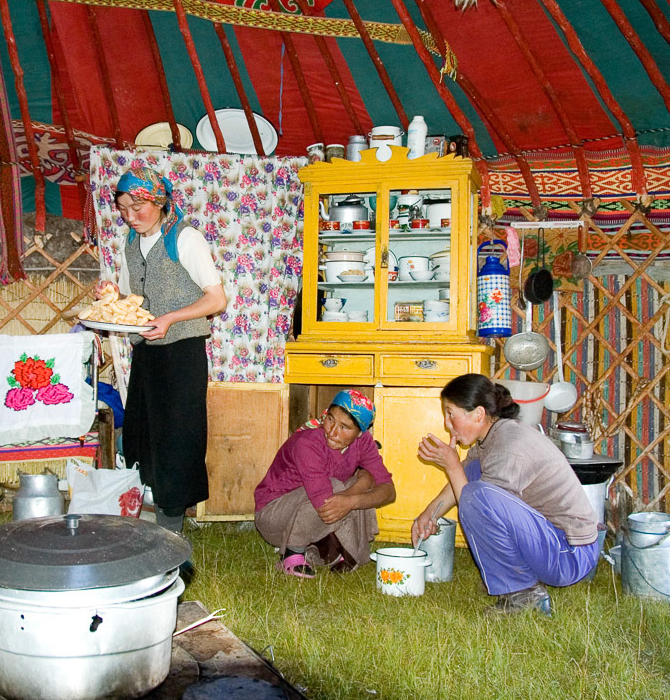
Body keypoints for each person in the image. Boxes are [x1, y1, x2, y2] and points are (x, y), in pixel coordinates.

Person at [95, 166, 227, 534]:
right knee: (144, 436)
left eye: (138, 208)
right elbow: (131, 298)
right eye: (123, 209)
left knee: (176, 439)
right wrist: (112, 294)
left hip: (182, 354)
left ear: (159, 201)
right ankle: (151, 522)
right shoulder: (131, 242)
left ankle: (172, 532)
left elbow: (216, 299)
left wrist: (171, 318)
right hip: (147, 353)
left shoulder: (185, 239)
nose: (130, 217)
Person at [412, 374, 599, 615]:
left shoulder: (509, 446)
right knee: (473, 471)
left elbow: (476, 503)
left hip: (570, 554)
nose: (447, 424)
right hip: (553, 541)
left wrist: (451, 465)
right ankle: (512, 576)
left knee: (478, 496)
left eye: (451, 414)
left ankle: (524, 593)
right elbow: (466, 477)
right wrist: (429, 514)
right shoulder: (492, 436)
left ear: (478, 414)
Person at [254, 390, 395, 578]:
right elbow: (324, 504)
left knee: (362, 486)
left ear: (360, 433)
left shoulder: (364, 442)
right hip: (274, 516)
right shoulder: (309, 442)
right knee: (342, 486)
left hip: (310, 511)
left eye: (344, 427)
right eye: (330, 419)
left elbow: (388, 491)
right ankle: (293, 553)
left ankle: (336, 550)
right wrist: (361, 486)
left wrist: (355, 497)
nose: (333, 431)